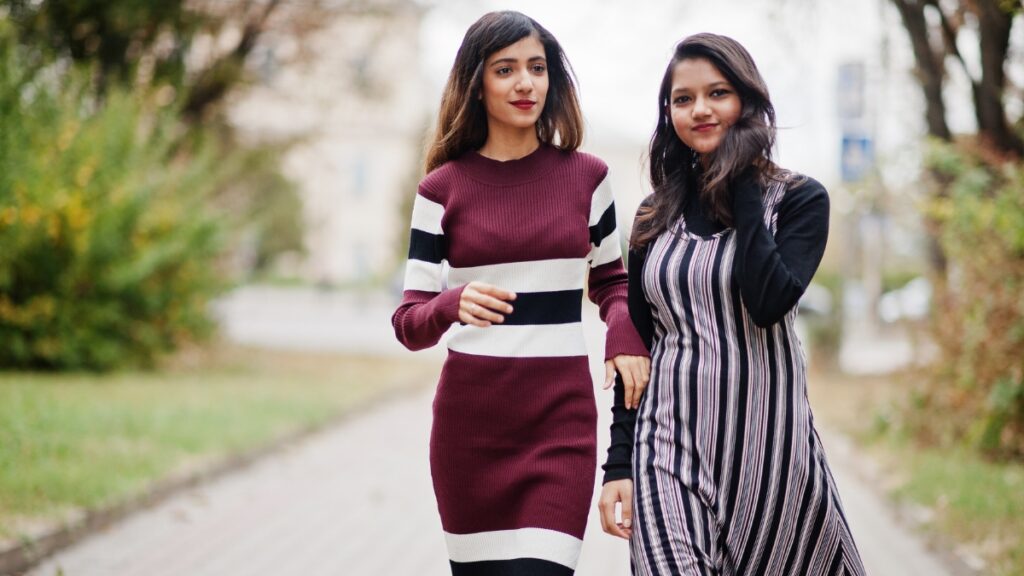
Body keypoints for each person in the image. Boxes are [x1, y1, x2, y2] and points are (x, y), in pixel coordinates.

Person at [597, 33, 868, 575]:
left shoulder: (799, 201)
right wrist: (618, 462)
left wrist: (740, 172)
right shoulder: (652, 217)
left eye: (717, 93)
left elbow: (767, 300)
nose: (700, 109)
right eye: (683, 99)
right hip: (666, 448)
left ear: (747, 101)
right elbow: (639, 350)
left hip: (770, 456)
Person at [391, 11, 650, 576]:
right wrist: (451, 304)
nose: (525, 83)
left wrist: (623, 333)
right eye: (505, 69)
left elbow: (612, 282)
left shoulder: (588, 177)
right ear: (476, 84)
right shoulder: (440, 189)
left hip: (559, 428)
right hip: (470, 432)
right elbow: (409, 322)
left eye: (536, 67)